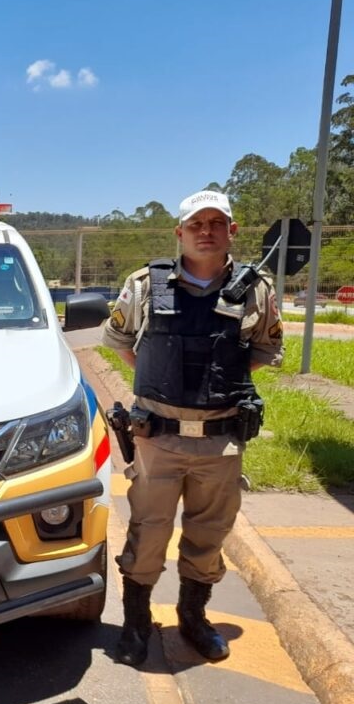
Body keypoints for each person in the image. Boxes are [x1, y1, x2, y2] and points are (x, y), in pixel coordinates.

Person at [101, 189, 284, 665]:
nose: (206, 232)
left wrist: (210, 385)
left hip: (221, 441)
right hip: (159, 439)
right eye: (196, 224)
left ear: (232, 231)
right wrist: (164, 383)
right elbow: (119, 339)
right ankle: (137, 624)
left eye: (216, 224)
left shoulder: (255, 289)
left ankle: (193, 617)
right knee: (148, 532)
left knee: (209, 535)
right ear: (180, 232)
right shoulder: (146, 285)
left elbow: (263, 351)